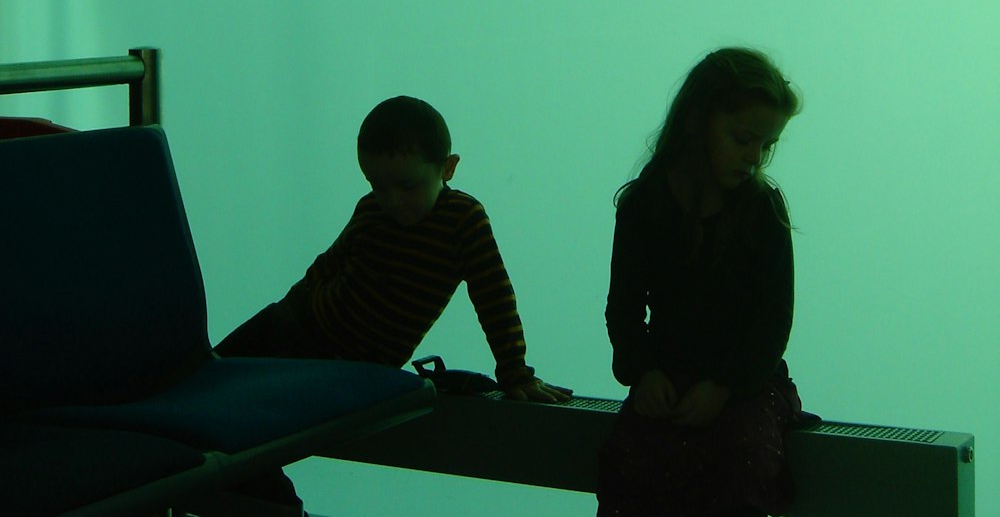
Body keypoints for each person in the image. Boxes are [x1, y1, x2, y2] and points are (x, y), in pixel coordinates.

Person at [214, 95, 571, 514]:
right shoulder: (370, 211)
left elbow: (494, 295)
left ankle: (277, 508)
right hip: (291, 324)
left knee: (234, 425)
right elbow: (326, 267)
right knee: (203, 383)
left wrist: (515, 371)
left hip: (343, 364)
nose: (393, 200)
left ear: (448, 168)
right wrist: (292, 305)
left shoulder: (464, 221)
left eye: (408, 185)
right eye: (377, 185)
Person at [597, 48, 809, 517]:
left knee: (743, 466)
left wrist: (725, 385)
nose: (754, 157)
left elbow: (773, 320)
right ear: (697, 122)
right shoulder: (643, 207)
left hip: (749, 386)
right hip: (666, 379)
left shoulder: (762, 212)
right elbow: (624, 307)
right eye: (742, 138)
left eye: (765, 146)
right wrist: (643, 371)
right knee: (628, 467)